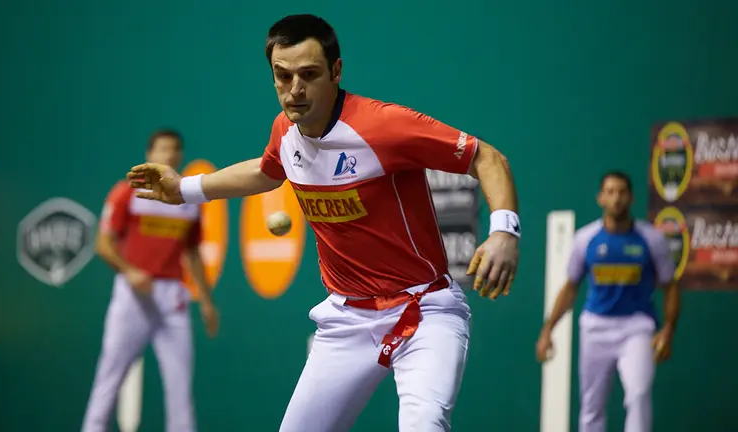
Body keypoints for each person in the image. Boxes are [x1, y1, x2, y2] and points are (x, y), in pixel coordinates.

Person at [127, 14, 521, 432]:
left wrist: (504, 231)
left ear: (336, 71)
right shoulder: (285, 130)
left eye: (309, 74)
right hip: (346, 319)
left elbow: (486, 157)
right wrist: (184, 189)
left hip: (424, 311)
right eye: (283, 76)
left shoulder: (383, 126)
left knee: (425, 423)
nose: (294, 89)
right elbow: (266, 170)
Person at [82, 129, 220, 432]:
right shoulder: (126, 192)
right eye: (162, 149)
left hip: (173, 298)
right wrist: (129, 270)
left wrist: (207, 302)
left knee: (180, 384)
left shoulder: (187, 200)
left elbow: (193, 253)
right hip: (132, 296)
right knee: (110, 375)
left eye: (174, 150)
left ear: (180, 156)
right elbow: (103, 244)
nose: (168, 155)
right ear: (149, 155)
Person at [536, 171, 681, 432]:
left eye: (622, 192)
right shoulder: (585, 239)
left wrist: (668, 330)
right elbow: (570, 287)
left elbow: (670, 286)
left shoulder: (652, 239)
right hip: (595, 328)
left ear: (631, 197)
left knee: (638, 395)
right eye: (610, 192)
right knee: (591, 406)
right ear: (600, 198)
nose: (616, 198)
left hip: (637, 328)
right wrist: (548, 330)